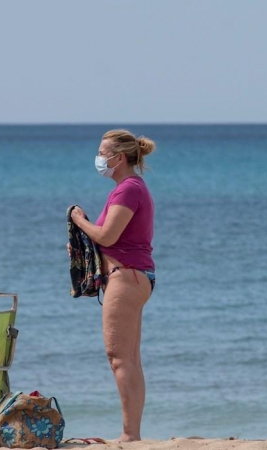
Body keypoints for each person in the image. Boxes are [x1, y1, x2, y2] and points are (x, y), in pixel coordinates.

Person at [69, 129, 156, 442]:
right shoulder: (130, 188)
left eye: (102, 152)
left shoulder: (128, 189)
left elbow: (107, 236)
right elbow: (110, 239)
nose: (99, 158)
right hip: (133, 274)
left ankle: (129, 434)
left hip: (127, 276)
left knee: (118, 357)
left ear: (119, 158)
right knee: (129, 358)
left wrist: (79, 219)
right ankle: (132, 433)